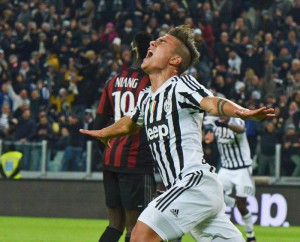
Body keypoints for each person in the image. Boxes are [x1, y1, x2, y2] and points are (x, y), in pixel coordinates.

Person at [80, 25, 275, 242]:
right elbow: (130, 123)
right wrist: (105, 132)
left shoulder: (180, 85)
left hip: (194, 182)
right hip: (190, 191)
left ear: (174, 60)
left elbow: (210, 102)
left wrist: (242, 112)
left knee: (139, 235)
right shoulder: (147, 97)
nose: (152, 42)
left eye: (162, 42)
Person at [93, 32, 156, 242]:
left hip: (111, 161)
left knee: (114, 225)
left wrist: (108, 150)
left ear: (132, 49)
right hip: (136, 162)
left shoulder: (114, 81)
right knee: (136, 229)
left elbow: (98, 125)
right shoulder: (153, 83)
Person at [204, 116, 257, 242]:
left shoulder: (236, 121)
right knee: (215, 194)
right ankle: (232, 203)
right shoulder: (214, 123)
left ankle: (250, 235)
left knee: (242, 206)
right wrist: (208, 136)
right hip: (226, 168)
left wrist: (226, 124)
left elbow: (241, 130)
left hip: (242, 168)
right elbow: (208, 135)